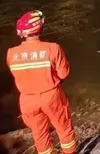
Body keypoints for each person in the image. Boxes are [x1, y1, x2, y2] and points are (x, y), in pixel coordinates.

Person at [6, 10, 78, 154]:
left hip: (27, 99)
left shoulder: (11, 53)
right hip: (51, 95)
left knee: (39, 134)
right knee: (64, 129)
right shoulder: (53, 48)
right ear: (40, 28)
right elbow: (64, 73)